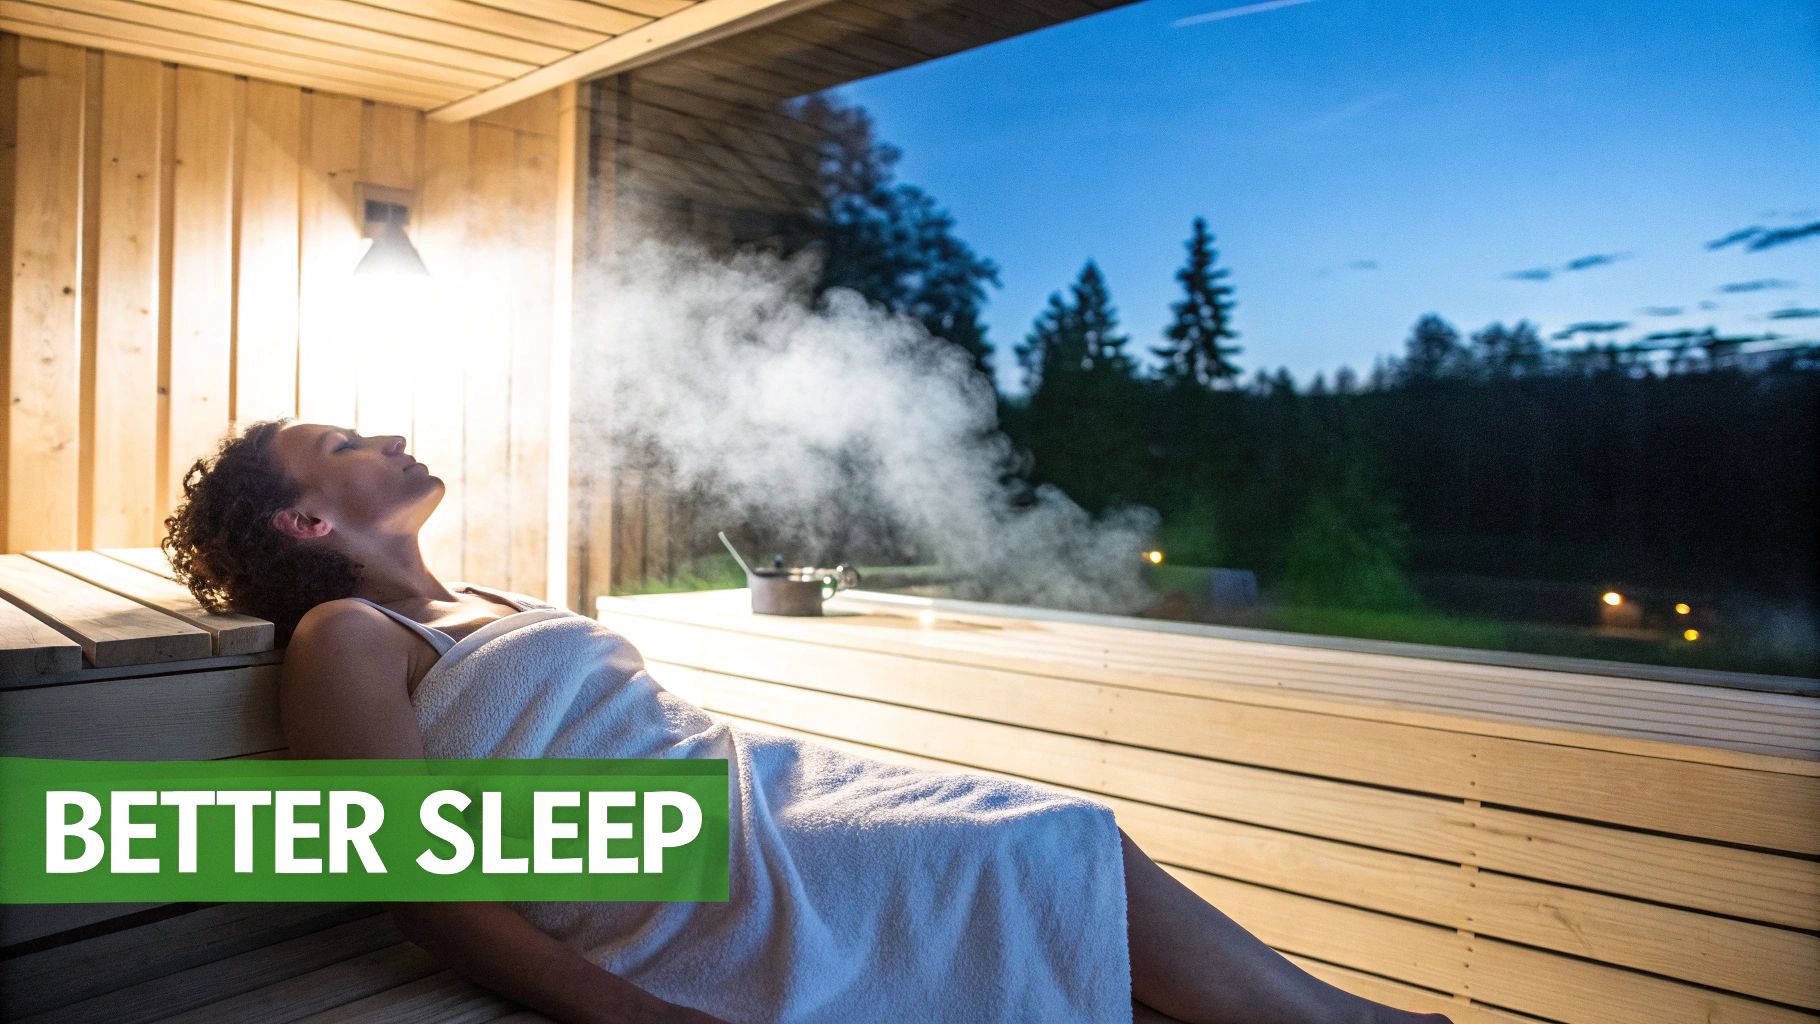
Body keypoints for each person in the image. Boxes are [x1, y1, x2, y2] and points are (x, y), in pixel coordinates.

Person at [161, 417, 1453, 1024]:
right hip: (701, 868)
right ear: (303, 523)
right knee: (1052, 842)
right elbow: (407, 867)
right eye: (340, 441)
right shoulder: (348, 636)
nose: (386, 434)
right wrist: (626, 1011)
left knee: (1054, 849)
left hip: (759, 792)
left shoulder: (490, 598)